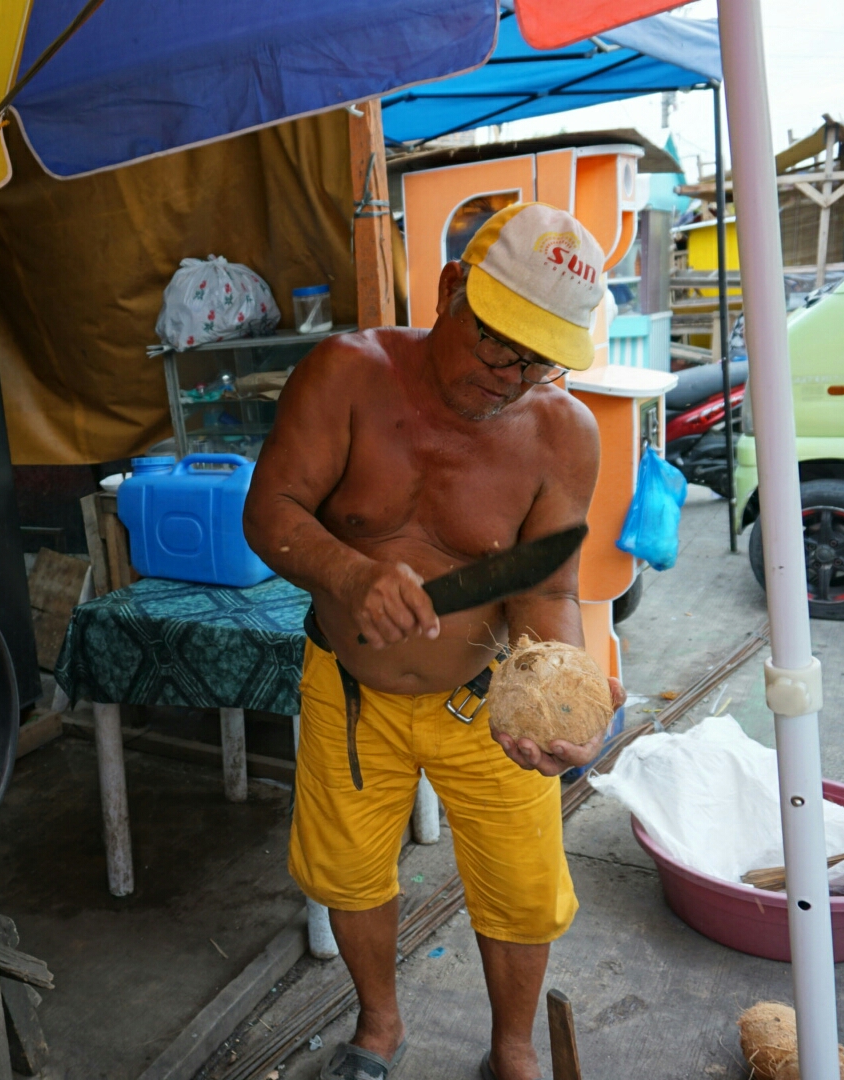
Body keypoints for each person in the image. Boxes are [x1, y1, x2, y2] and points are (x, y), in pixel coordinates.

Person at [242, 202, 626, 1080]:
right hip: (349, 691)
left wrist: (563, 685)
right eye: (500, 343)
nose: (512, 375)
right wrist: (348, 575)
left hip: (482, 699)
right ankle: (378, 1027)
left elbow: (549, 587)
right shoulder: (347, 373)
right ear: (453, 289)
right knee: (345, 874)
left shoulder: (562, 434)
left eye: (539, 358)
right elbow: (270, 513)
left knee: (526, 888)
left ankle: (513, 1048)